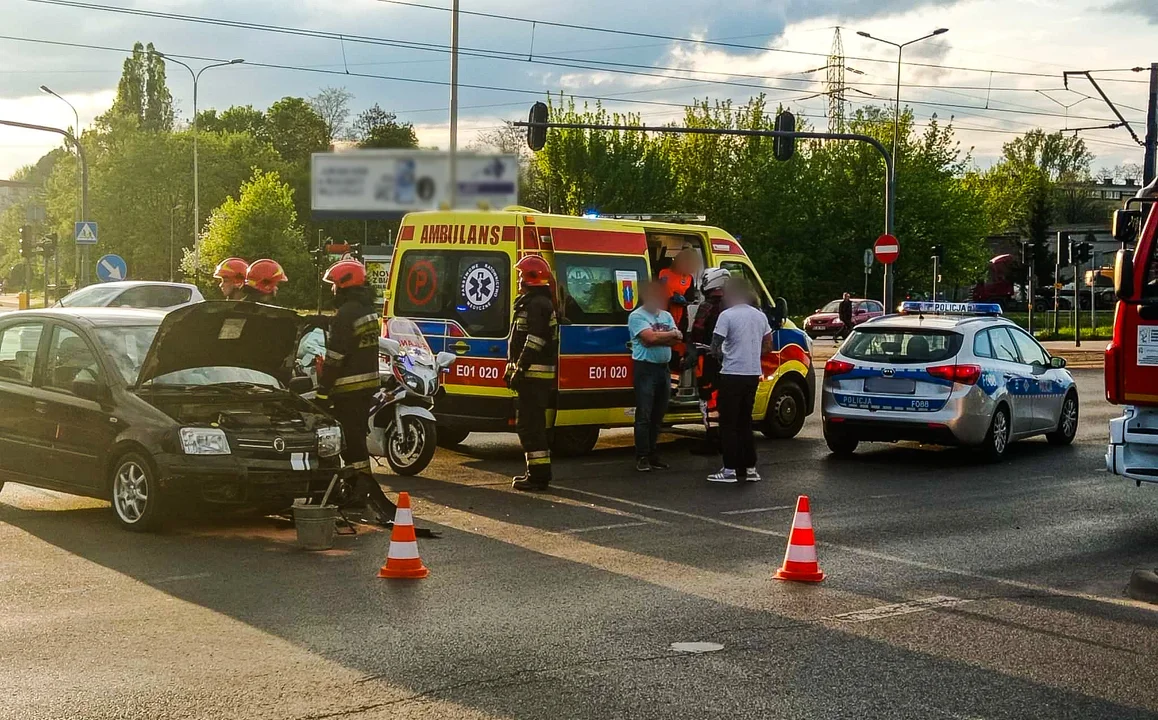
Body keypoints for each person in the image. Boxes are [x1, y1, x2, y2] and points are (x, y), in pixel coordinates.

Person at [314, 259, 397, 525]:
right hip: (366, 388)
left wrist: (324, 391)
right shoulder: (365, 311)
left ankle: (359, 491)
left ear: (342, 286)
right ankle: (356, 488)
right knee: (355, 439)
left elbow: (336, 357)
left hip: (347, 389)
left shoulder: (345, 315)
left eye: (333, 286)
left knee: (350, 444)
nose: (331, 291)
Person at [708, 278, 772, 484]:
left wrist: (724, 354)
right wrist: (751, 353)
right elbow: (768, 346)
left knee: (728, 423)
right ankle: (750, 468)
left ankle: (730, 470)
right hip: (752, 374)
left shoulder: (726, 316)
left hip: (731, 373)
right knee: (745, 422)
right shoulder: (760, 316)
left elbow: (714, 347)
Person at [504, 255, 559, 492]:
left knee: (530, 427)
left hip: (534, 378)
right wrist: (511, 368)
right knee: (530, 425)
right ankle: (536, 473)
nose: (518, 279)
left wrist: (521, 368)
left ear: (530, 277)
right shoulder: (534, 302)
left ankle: (538, 477)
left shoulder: (537, 305)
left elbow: (534, 341)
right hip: (531, 376)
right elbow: (517, 342)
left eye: (520, 274)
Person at [628, 280, 682, 472]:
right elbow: (648, 338)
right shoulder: (636, 316)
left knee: (658, 414)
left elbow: (676, 340)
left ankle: (653, 454)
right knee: (644, 414)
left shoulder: (666, 315)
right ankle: (642, 456)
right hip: (646, 369)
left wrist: (662, 338)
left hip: (663, 369)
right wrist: (668, 335)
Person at [689, 267, 730, 456]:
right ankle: (724, 438)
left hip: (707, 359)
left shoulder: (707, 306)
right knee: (723, 400)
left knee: (707, 400)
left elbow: (698, 331)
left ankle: (712, 438)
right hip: (729, 361)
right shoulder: (732, 305)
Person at [658, 248, 698, 369]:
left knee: (676, 354)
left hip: (680, 320)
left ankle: (672, 386)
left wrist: (683, 300)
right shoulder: (663, 273)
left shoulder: (689, 278)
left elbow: (691, 297)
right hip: (662, 316)